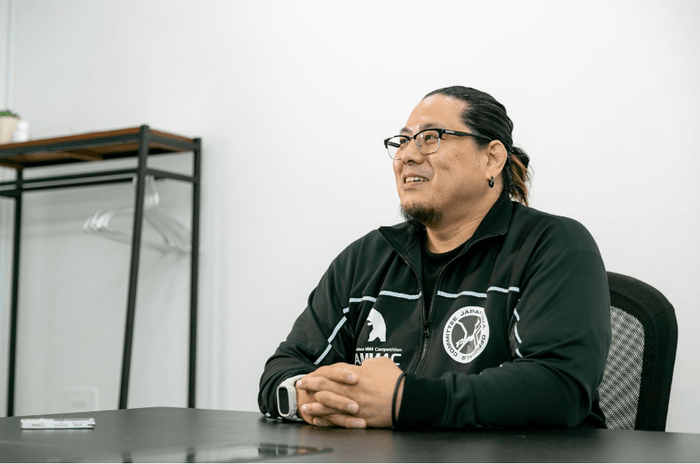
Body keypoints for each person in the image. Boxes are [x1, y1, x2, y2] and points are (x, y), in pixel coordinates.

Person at [258, 86, 611, 429]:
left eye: (430, 137)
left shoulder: (553, 245)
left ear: (491, 158)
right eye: (402, 141)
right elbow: (283, 370)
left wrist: (405, 400)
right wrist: (310, 397)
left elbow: (559, 386)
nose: (407, 156)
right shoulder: (365, 259)